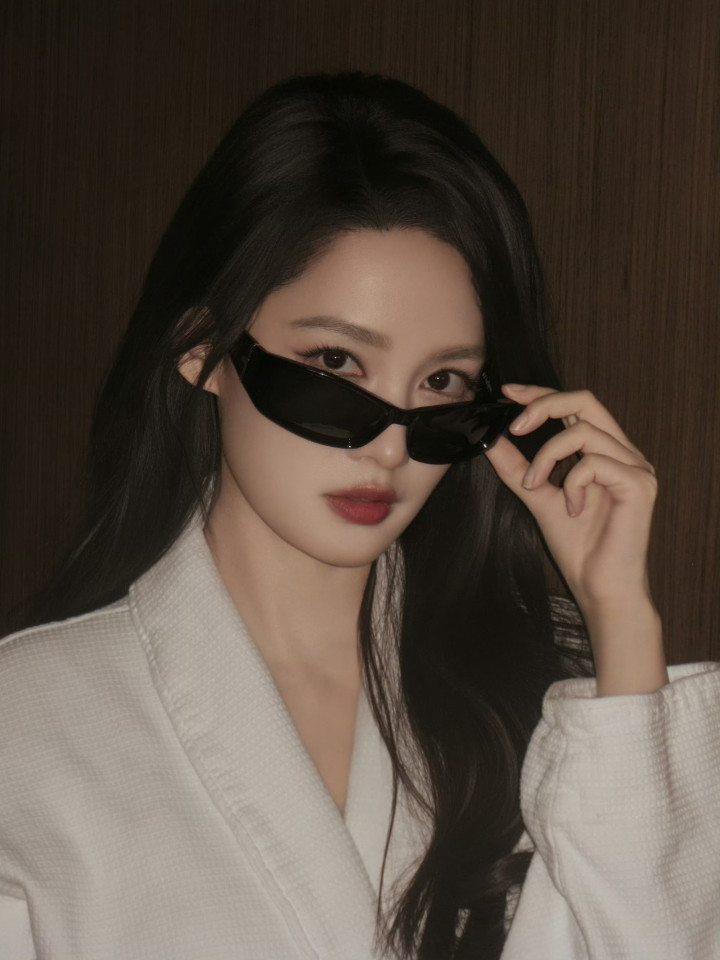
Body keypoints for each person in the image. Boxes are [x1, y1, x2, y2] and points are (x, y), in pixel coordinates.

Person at [0, 71, 717, 960]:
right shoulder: (30, 724)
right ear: (202, 351)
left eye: (442, 382)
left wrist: (621, 618)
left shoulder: (555, 699)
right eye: (336, 365)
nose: (389, 445)